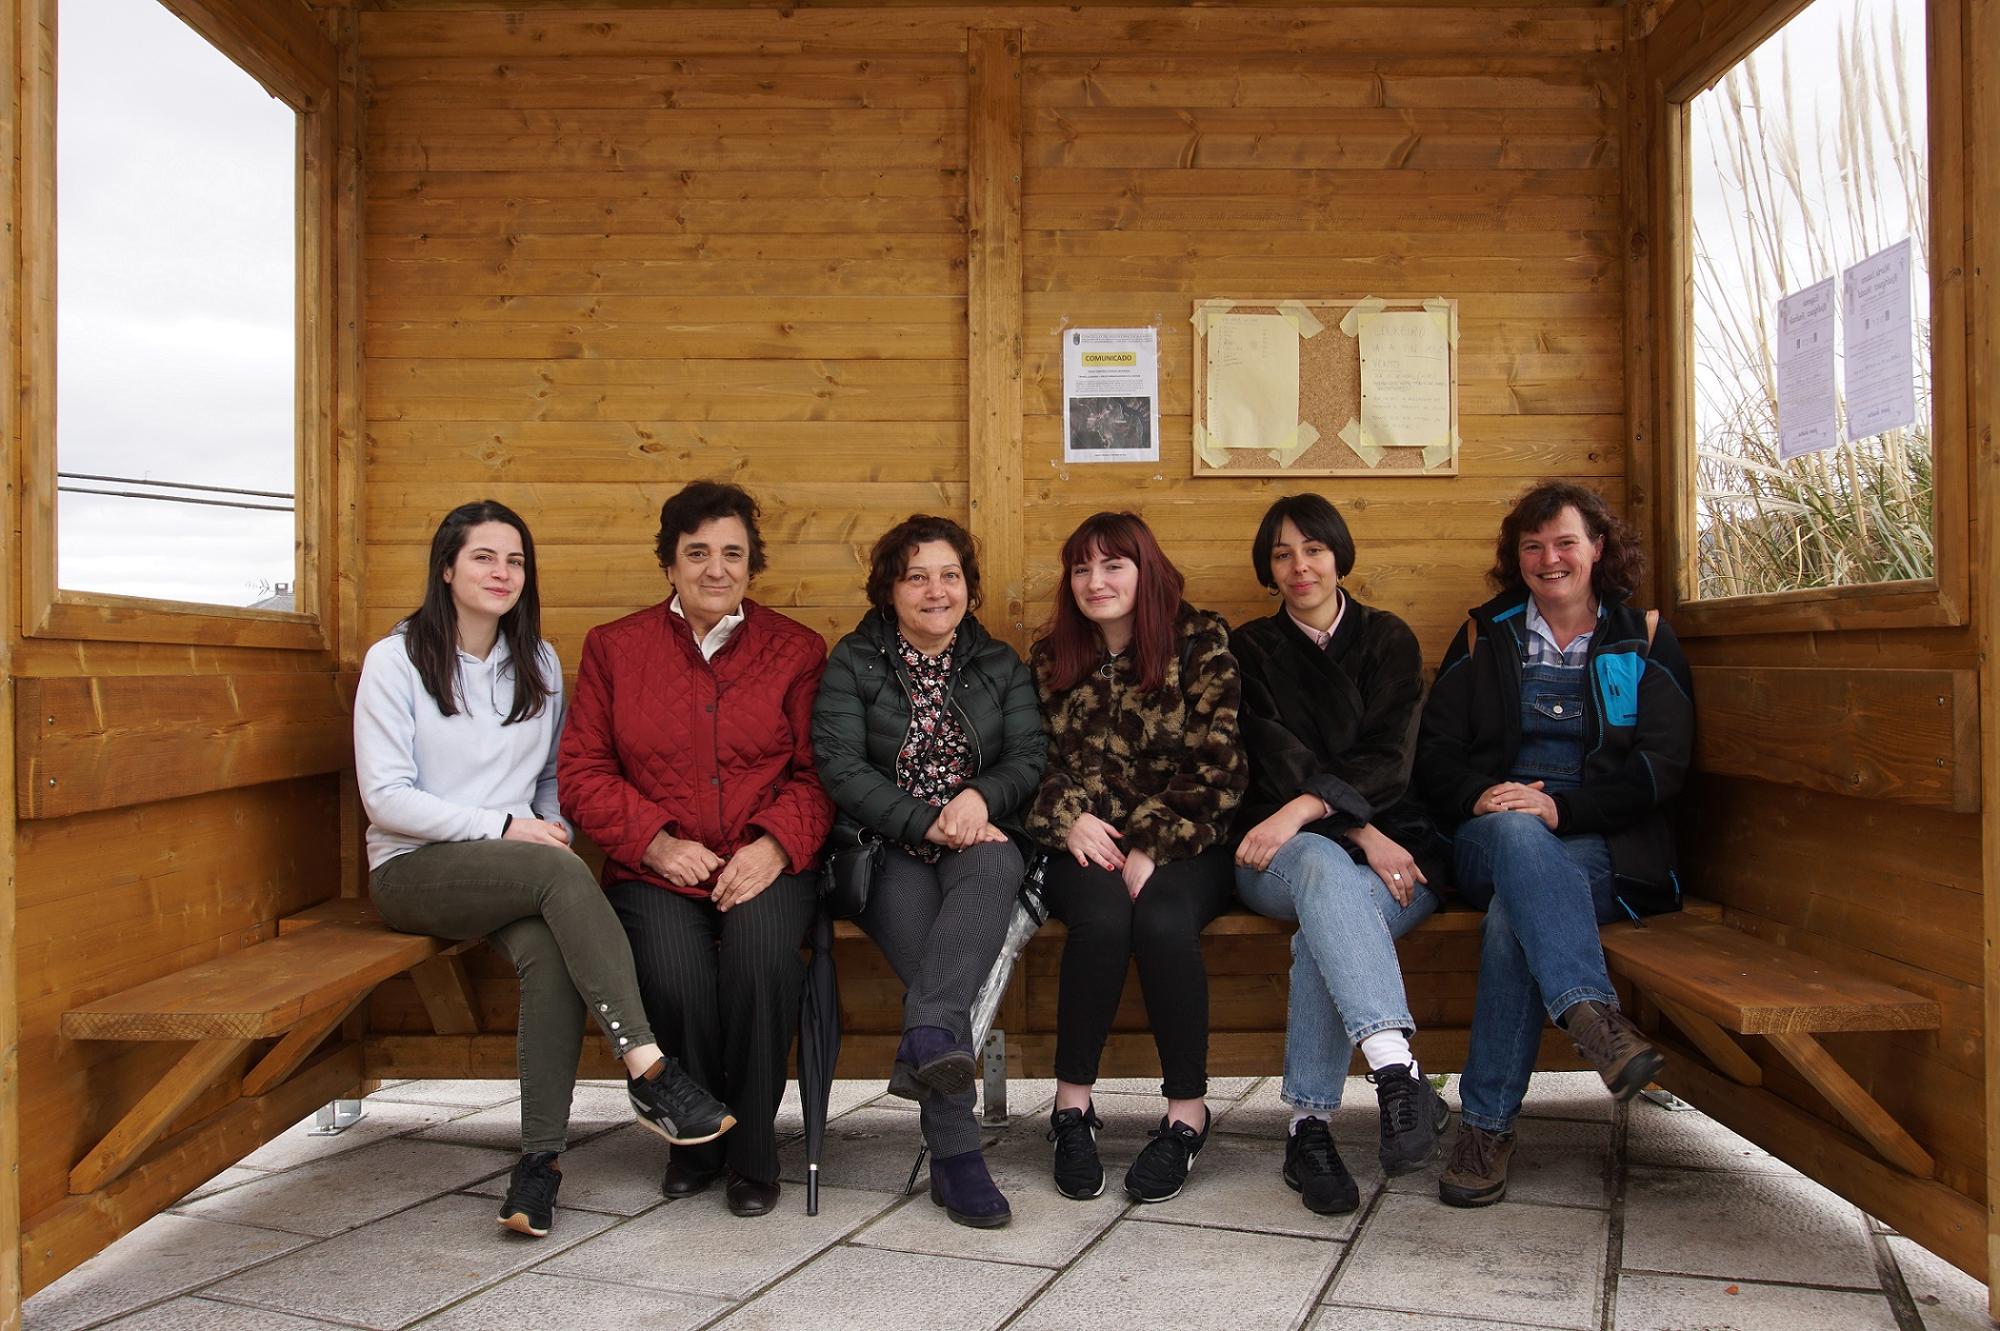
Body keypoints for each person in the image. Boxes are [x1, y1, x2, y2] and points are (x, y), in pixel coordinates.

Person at [354, 499, 733, 1241]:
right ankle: (650, 1067)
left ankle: (539, 1164)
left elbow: (554, 779)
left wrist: (549, 822)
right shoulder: (395, 659)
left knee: (554, 962)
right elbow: (386, 797)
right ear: (446, 568)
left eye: (515, 560)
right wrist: (505, 828)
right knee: (562, 878)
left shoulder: (539, 664)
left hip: (514, 866)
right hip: (416, 869)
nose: (503, 573)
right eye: (484, 558)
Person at [559, 480, 834, 1218]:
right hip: (656, 868)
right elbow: (582, 773)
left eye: (733, 553)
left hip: (765, 861)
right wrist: (654, 843)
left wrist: (774, 846)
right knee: (673, 976)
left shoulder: (797, 650)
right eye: (698, 552)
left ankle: (750, 1153)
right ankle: (693, 1142)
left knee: (759, 964)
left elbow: (821, 772)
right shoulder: (615, 648)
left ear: (752, 564)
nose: (717, 568)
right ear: (670, 563)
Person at [1416, 480, 1694, 1207]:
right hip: (1490, 837)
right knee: (1514, 836)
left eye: (1566, 541)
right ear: (1518, 558)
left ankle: (1484, 1128)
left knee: (1518, 915)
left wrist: (1560, 807)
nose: (1550, 558)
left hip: (1601, 846)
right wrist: (1481, 795)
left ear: (1598, 548)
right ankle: (1592, 1016)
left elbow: (1661, 767)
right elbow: (1436, 755)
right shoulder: (1485, 635)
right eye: (1533, 546)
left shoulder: (1646, 638)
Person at [812, 514, 1047, 1229]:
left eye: (949, 575)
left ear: (970, 589)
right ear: (890, 589)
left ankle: (929, 1053)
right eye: (916, 575)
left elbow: (1030, 755)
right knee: (940, 981)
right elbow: (840, 765)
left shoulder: (1000, 664)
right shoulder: (853, 661)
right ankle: (958, 1158)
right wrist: (925, 819)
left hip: (981, 840)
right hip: (888, 851)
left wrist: (978, 798)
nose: (935, 589)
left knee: (997, 862)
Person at [1230, 494, 1450, 1216]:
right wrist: (1343, 824)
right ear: (1269, 568)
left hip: (1398, 850)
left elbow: (1391, 756)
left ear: (1339, 554)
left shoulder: (1389, 638)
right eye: (1283, 554)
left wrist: (1320, 809)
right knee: (1324, 872)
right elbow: (1271, 757)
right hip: (1279, 851)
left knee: (1325, 933)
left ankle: (1310, 1127)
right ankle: (1395, 1068)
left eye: (1314, 549)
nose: (1301, 567)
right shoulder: (1250, 649)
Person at [1027, 511, 1247, 1205]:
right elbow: (1028, 760)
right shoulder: (1051, 657)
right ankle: (1072, 1109)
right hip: (1084, 840)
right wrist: (1070, 819)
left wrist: (1152, 840)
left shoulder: (1201, 642)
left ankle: (1186, 1114)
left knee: (1159, 919)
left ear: (1145, 569)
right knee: (1099, 918)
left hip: (1189, 839)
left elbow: (1223, 766)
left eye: (1113, 564)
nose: (1096, 580)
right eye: (1082, 567)